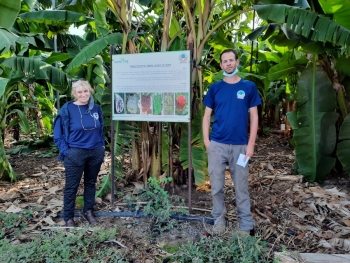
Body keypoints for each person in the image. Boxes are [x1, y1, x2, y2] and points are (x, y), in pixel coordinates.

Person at [202, 49, 261, 235]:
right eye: (224, 61)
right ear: (221, 65)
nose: (228, 63)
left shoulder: (249, 87)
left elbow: (254, 116)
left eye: (231, 60)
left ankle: (246, 225)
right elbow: (206, 117)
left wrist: (251, 144)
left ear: (237, 62)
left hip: (240, 146)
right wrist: (207, 142)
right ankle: (219, 221)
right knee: (216, 187)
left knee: (241, 187)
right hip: (217, 145)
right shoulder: (215, 88)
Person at [54, 79, 105, 228]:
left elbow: (100, 129)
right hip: (75, 152)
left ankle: (88, 211)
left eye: (86, 91)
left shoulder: (96, 108)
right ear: (74, 93)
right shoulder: (67, 109)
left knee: (90, 183)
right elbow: (58, 134)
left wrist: (101, 146)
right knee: (72, 186)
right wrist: (66, 152)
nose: (83, 94)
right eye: (80, 92)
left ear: (90, 92)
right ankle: (68, 217)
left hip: (95, 151)